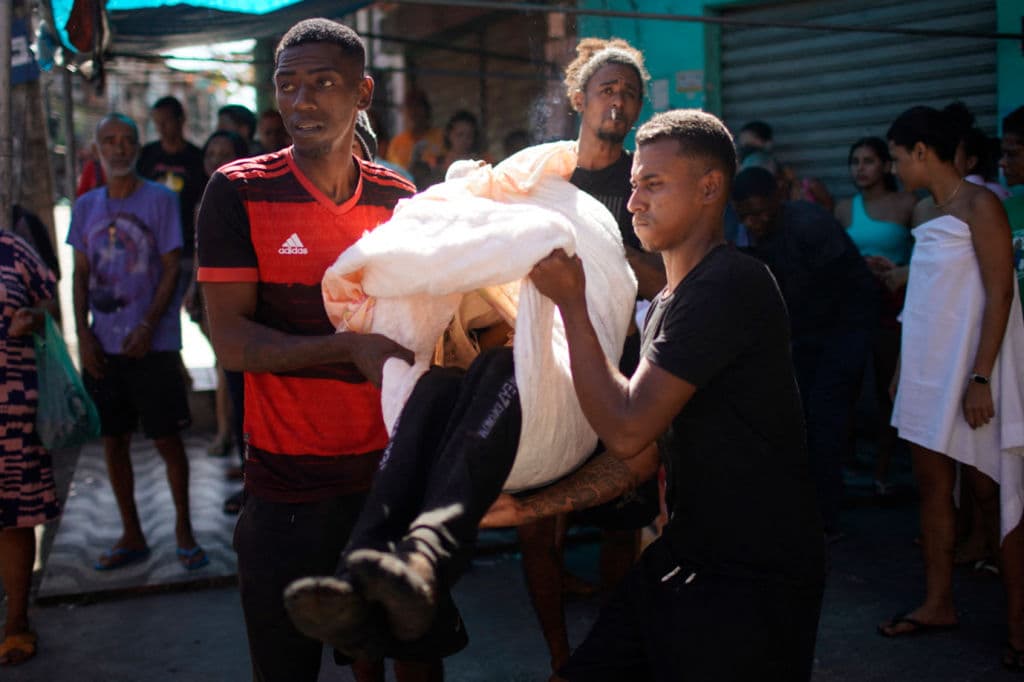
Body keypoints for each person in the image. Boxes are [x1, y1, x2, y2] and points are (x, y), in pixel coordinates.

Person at [483, 109, 825, 680]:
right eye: (634, 184)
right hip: (687, 557)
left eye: (653, 184)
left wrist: (572, 303)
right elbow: (639, 459)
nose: (634, 201)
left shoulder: (730, 285)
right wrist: (527, 507)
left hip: (754, 578)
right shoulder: (670, 300)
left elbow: (626, 426)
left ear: (710, 188)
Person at [195, 18, 441, 682]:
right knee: (287, 668)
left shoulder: (400, 199)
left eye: (323, 84)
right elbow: (232, 342)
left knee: (416, 657)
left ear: (362, 93)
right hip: (286, 488)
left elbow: (425, 323)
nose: (301, 102)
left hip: (388, 480)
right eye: (288, 84)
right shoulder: (238, 192)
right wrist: (350, 349)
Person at [516, 36, 664, 679]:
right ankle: (556, 658)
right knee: (537, 528)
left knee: (618, 520)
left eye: (630, 92)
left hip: (623, 367)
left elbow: (662, 280)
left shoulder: (645, 181)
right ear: (579, 98)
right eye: (608, 89)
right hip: (546, 368)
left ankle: (609, 654)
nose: (620, 101)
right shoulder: (544, 177)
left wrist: (600, 250)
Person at [877, 105, 1024, 673]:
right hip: (927, 371)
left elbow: (1001, 295)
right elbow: (926, 299)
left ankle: (1017, 624)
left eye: (896, 156)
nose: (894, 167)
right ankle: (939, 604)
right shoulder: (923, 211)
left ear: (921, 152)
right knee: (933, 489)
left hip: (974, 373)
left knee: (996, 490)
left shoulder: (982, 206)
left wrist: (981, 376)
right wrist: (901, 370)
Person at [69, 113, 206, 572]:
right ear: (98, 149)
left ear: (137, 147)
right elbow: (81, 274)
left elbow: (171, 267)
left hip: (155, 344)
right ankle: (132, 535)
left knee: (168, 439)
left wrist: (148, 326)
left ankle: (185, 531)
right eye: (110, 140)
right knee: (113, 441)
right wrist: (83, 335)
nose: (120, 148)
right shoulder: (86, 206)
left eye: (128, 141)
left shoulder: (162, 199)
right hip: (103, 345)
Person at [732, 165, 877, 539]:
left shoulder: (810, 224)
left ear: (779, 198)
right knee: (797, 425)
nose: (755, 221)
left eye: (761, 212)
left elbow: (849, 289)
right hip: (800, 337)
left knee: (824, 422)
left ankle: (824, 519)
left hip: (841, 331)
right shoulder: (743, 236)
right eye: (746, 214)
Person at [834, 137, 915, 495]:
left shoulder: (908, 204)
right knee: (846, 386)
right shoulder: (844, 208)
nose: (860, 169)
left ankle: (883, 470)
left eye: (868, 161)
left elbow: (929, 254)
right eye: (855, 161)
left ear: (885, 165)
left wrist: (898, 269)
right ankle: (847, 467)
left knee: (888, 387)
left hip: (893, 304)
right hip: (851, 304)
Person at [0, 232, 59, 666]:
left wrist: (34, 319)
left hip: (13, 408)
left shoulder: (14, 249)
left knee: (15, 517)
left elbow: (49, 305)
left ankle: (16, 622)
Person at [136, 96, 206, 296]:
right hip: (152, 246)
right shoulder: (147, 155)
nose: (161, 128)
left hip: (186, 246)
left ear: (180, 120)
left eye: (166, 122)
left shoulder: (196, 158)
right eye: (157, 123)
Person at [737, 119, 833, 210]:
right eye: (743, 147)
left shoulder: (799, 184)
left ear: (768, 144)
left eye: (750, 146)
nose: (746, 151)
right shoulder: (740, 183)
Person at [385, 89, 444, 171]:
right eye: (410, 108)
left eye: (418, 107)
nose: (414, 112)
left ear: (426, 110)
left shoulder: (440, 137)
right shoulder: (397, 143)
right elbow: (394, 172)